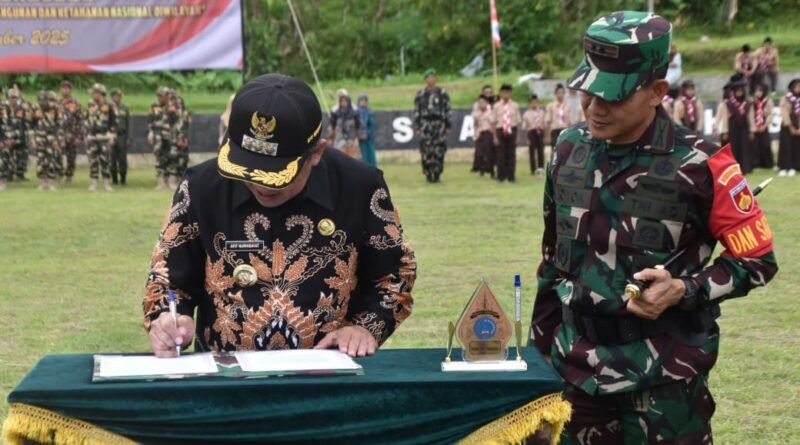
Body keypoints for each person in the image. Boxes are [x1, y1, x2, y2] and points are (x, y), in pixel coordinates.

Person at [535, 11, 777, 444]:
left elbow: (757, 259)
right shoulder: (567, 149)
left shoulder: (703, 163)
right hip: (575, 371)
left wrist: (685, 288)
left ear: (656, 92)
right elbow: (553, 261)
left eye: (612, 96)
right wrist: (537, 361)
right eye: (588, 92)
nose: (594, 108)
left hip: (664, 380)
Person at [143, 73, 416, 359]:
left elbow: (396, 272)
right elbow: (167, 278)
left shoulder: (359, 187)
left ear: (316, 152)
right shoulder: (201, 187)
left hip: (330, 373)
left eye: (275, 174)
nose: (260, 185)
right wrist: (169, 318)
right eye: (247, 169)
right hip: (226, 376)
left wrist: (366, 327)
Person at [413, 69, 451, 183]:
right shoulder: (420, 94)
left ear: (436, 79)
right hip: (425, 125)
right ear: (425, 79)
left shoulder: (442, 93)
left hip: (439, 125)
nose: (431, 79)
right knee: (426, 150)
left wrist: (448, 125)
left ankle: (437, 174)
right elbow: (417, 111)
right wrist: (417, 127)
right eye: (429, 77)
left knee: (439, 150)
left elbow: (447, 109)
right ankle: (428, 174)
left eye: (433, 77)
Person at [84, 83, 117, 192]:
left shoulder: (110, 105)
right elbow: (87, 119)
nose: (92, 95)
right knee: (92, 160)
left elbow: (114, 121)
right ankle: (93, 184)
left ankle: (107, 183)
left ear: (100, 93)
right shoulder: (90, 104)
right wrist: (87, 134)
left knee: (105, 160)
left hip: (105, 136)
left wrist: (112, 135)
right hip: (92, 137)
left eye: (94, 93)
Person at [30, 90, 64, 191]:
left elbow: (59, 124)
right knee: (40, 161)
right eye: (40, 102)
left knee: (51, 160)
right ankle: (42, 181)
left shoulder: (55, 108)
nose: (42, 104)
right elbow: (31, 125)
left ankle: (51, 181)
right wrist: (33, 139)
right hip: (39, 138)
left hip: (52, 138)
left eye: (44, 101)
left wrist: (58, 139)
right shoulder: (34, 108)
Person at [148, 86, 180, 189]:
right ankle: (161, 182)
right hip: (158, 136)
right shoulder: (154, 106)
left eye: (162, 95)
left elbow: (177, 121)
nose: (160, 97)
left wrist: (178, 134)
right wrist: (150, 133)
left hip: (170, 136)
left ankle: (171, 182)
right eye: (159, 95)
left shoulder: (173, 106)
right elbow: (150, 121)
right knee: (159, 157)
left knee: (172, 157)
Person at [719, 81, 754, 173]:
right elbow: (725, 118)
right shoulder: (729, 103)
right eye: (737, 91)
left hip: (744, 128)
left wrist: (752, 130)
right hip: (733, 128)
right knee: (734, 148)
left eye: (741, 91)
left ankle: (745, 167)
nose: (739, 93)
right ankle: (733, 167)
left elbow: (751, 117)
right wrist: (725, 131)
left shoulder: (747, 103)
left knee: (744, 148)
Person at [492, 84, 521, 183]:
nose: (506, 95)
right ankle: (501, 176)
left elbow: (517, 123)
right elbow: (493, 122)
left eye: (508, 93)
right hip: (500, 130)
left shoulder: (515, 105)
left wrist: (517, 136)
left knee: (511, 154)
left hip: (512, 130)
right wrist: (495, 137)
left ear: (510, 93)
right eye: (504, 92)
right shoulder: (496, 106)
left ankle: (511, 176)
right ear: (501, 93)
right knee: (501, 154)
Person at [1, 88, 27, 190]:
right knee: (4, 153)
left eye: (15, 97)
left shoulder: (21, 110)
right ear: (8, 98)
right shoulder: (2, 109)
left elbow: (24, 126)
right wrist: (4, 139)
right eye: (11, 97)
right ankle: (2, 179)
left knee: (23, 153)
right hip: (5, 139)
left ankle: (19, 175)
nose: (14, 100)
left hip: (18, 139)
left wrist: (16, 139)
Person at [59, 80, 84, 185]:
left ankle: (69, 176)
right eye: (63, 88)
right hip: (60, 135)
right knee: (57, 156)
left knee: (71, 157)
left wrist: (79, 136)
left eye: (67, 88)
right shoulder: (57, 102)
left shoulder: (75, 103)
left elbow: (81, 120)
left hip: (72, 134)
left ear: (70, 90)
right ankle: (58, 174)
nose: (65, 90)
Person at [777, 78, 800, 176]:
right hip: (787, 126)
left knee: (797, 147)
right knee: (786, 146)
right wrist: (790, 127)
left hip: (798, 125)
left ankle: (796, 166)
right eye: (797, 86)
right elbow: (784, 113)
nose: (799, 88)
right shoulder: (786, 98)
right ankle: (785, 167)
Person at [749, 83, 775, 169]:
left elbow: (770, 114)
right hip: (755, 127)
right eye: (756, 91)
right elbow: (751, 115)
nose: (758, 93)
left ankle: (767, 163)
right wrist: (753, 127)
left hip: (764, 126)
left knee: (765, 144)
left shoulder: (768, 101)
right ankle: (756, 163)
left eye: (760, 91)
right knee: (755, 146)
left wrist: (765, 125)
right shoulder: (752, 102)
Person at [328, 92, 360, 158]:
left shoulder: (354, 113)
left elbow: (358, 126)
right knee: (339, 156)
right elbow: (333, 125)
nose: (343, 103)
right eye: (342, 101)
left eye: (345, 101)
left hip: (351, 138)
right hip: (339, 138)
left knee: (352, 157)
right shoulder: (336, 113)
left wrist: (356, 137)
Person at [109, 88, 131, 186]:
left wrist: (129, 137)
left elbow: (129, 123)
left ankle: (123, 178)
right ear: (112, 97)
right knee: (112, 158)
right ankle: (114, 179)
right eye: (115, 96)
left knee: (122, 158)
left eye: (119, 96)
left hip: (122, 136)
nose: (117, 98)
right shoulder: (108, 107)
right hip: (111, 135)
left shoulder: (125, 108)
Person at [471, 94, 495, 177]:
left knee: (489, 153)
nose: (481, 104)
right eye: (480, 102)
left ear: (487, 103)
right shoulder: (476, 114)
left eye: (483, 102)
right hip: (480, 133)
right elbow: (475, 124)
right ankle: (481, 169)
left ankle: (491, 171)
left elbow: (493, 123)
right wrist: (475, 132)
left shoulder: (490, 112)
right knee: (479, 152)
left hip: (488, 133)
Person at [522, 93, 546, 176]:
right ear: (530, 103)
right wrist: (527, 138)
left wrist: (544, 135)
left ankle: (540, 168)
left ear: (538, 102)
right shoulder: (526, 113)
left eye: (535, 102)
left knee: (540, 150)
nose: (534, 104)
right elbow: (525, 127)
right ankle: (533, 169)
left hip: (540, 131)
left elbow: (544, 124)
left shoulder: (542, 112)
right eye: (532, 102)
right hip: (531, 132)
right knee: (532, 151)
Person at [170, 89, 192, 177]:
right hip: (174, 139)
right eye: (177, 103)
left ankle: (183, 175)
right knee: (174, 159)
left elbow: (188, 127)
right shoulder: (171, 113)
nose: (179, 104)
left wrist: (185, 139)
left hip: (184, 138)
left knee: (184, 159)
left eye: (180, 103)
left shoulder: (186, 114)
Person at [544, 84, 569, 148]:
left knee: (563, 149)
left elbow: (568, 120)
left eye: (562, 93)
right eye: (559, 93)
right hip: (554, 130)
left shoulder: (567, 106)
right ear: (555, 94)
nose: (561, 95)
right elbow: (548, 121)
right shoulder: (550, 106)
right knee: (555, 148)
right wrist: (548, 136)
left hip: (564, 129)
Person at [357, 93, 377, 167]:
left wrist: (367, 134)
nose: (363, 102)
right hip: (359, 139)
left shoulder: (369, 112)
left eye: (364, 101)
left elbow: (372, 125)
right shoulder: (355, 112)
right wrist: (358, 134)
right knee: (362, 157)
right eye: (361, 100)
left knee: (370, 157)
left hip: (368, 138)